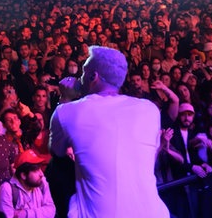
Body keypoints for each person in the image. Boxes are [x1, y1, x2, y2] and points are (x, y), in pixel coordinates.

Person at [50, 46, 169, 218]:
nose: (80, 77)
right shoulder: (149, 110)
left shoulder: (67, 112)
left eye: (84, 72)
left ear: (93, 76)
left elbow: (57, 151)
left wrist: (66, 98)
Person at [0, 149, 56, 218]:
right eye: (36, 170)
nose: (41, 174)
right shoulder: (7, 189)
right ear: (23, 175)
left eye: (40, 168)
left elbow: (51, 211)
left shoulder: (42, 182)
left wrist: (25, 213)